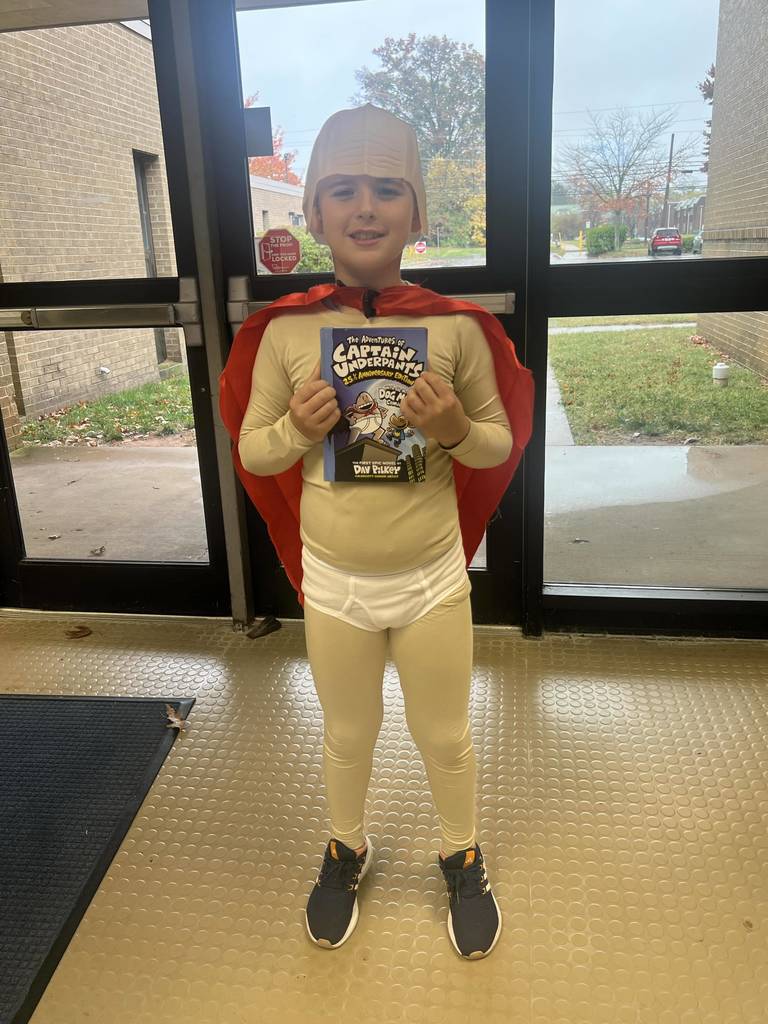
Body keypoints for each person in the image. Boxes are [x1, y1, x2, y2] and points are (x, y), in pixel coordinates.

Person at [219, 103, 534, 959]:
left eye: (388, 190)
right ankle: (345, 845)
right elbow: (250, 444)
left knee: (445, 734)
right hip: (335, 581)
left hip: (430, 578)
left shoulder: (456, 328)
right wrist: (296, 430)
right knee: (346, 733)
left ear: (418, 212)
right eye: (343, 190)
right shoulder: (284, 332)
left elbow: (502, 438)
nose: (366, 208)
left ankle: (460, 852)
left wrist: (455, 434)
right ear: (313, 214)